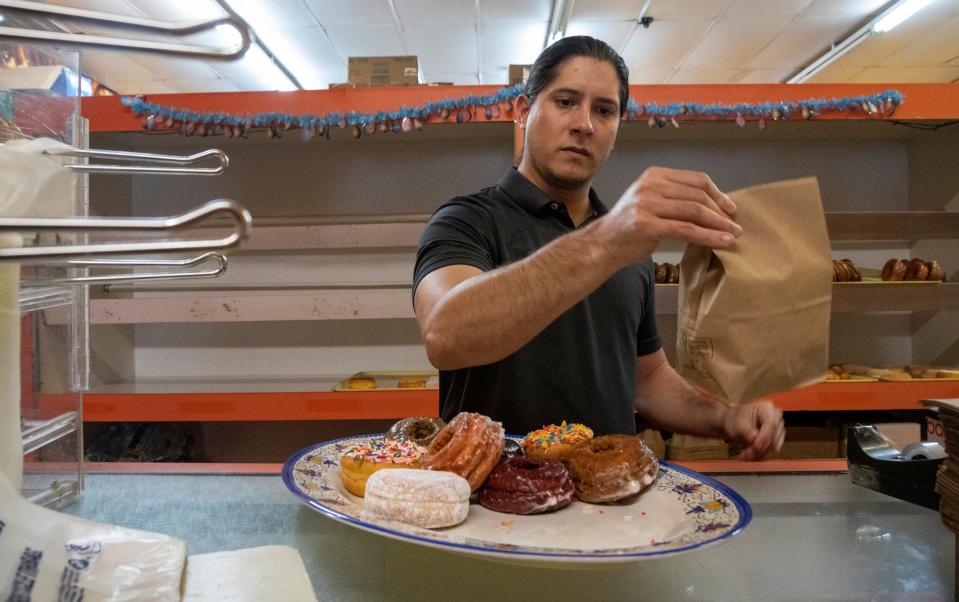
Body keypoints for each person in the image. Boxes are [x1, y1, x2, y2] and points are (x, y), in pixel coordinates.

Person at [412, 36, 784, 460]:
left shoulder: (629, 245)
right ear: (523, 111)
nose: (584, 124)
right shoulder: (467, 221)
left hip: (612, 503)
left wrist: (723, 418)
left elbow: (647, 378)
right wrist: (607, 241)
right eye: (565, 101)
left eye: (604, 110)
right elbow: (446, 333)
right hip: (493, 510)